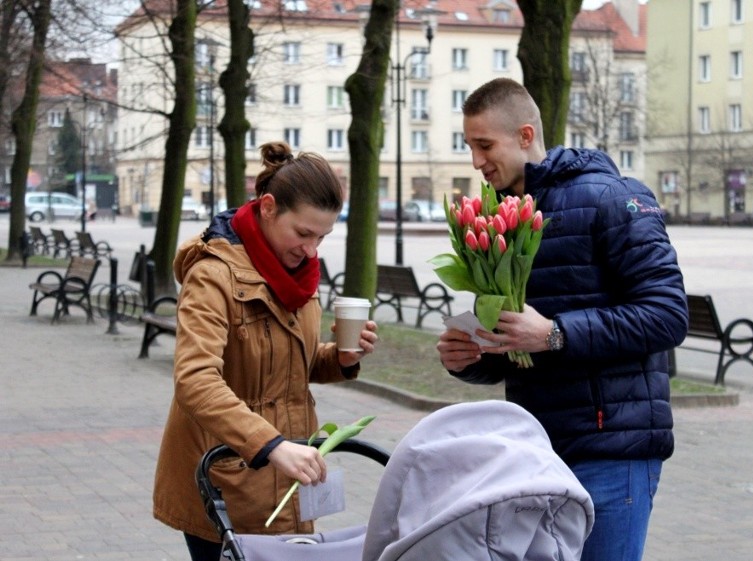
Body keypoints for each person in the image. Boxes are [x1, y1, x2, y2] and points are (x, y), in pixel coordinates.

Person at [436, 78, 688, 561]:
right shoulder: (504, 215)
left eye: (485, 145)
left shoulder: (611, 199)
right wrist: (472, 358)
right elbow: (521, 345)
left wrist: (554, 333)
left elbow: (667, 315)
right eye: (470, 146)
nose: (476, 161)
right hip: (535, 450)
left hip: (612, 451)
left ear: (526, 136)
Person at [152, 141, 379, 561]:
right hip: (227, 479)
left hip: (288, 479)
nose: (312, 250)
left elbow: (291, 364)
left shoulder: (297, 273)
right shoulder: (213, 275)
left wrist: (341, 358)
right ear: (269, 207)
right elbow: (195, 380)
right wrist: (272, 445)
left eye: (323, 236)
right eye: (304, 233)